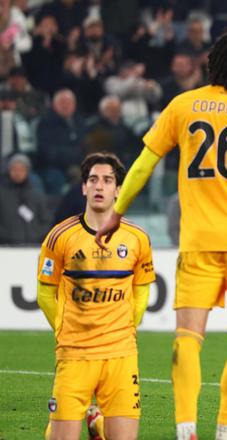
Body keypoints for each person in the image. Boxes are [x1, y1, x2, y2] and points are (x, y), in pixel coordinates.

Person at [94, 27, 227, 440]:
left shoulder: (183, 105)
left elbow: (144, 164)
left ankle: (186, 431)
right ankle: (226, 433)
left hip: (199, 242)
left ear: (212, 62)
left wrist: (116, 212)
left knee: (187, 338)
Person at [37, 152, 154, 440]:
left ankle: (97, 425)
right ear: (84, 187)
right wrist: (63, 329)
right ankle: (88, 424)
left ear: (118, 190)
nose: (99, 186)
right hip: (75, 354)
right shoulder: (60, 236)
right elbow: (45, 292)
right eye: (93, 180)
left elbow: (141, 288)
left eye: (107, 180)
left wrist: (130, 326)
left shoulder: (137, 238)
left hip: (121, 354)